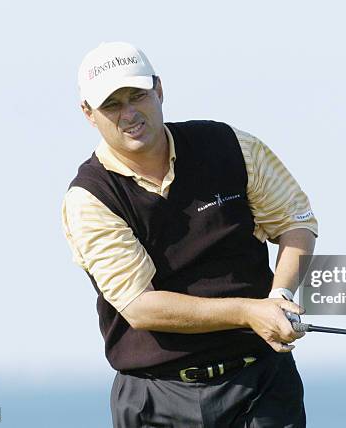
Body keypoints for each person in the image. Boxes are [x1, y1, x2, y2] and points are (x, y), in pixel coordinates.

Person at [61, 41, 318, 427]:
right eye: (112, 105)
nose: (130, 113)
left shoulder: (230, 146)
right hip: (156, 398)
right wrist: (249, 311)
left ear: (159, 90)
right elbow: (139, 306)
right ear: (88, 114)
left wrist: (280, 295)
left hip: (259, 387)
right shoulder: (90, 198)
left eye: (138, 96)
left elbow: (295, 221)